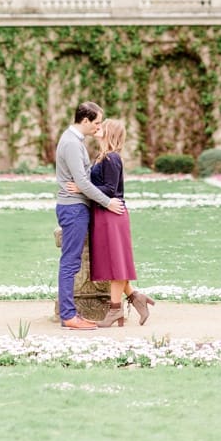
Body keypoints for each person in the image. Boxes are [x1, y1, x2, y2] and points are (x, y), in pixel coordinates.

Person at [67, 118, 156, 327]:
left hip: (112, 215)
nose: (98, 128)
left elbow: (110, 188)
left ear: (110, 133)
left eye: (102, 126)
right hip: (104, 214)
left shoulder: (112, 158)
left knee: (116, 264)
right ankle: (135, 297)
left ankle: (115, 310)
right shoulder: (102, 156)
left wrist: (82, 188)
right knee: (113, 263)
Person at [55, 101, 124, 331]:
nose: (98, 127)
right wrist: (107, 202)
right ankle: (68, 316)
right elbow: (82, 181)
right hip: (73, 208)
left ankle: (71, 313)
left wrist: (84, 187)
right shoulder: (72, 144)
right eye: (95, 122)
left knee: (72, 262)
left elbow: (83, 181)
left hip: (77, 206)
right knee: (70, 263)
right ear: (84, 121)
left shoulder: (74, 140)